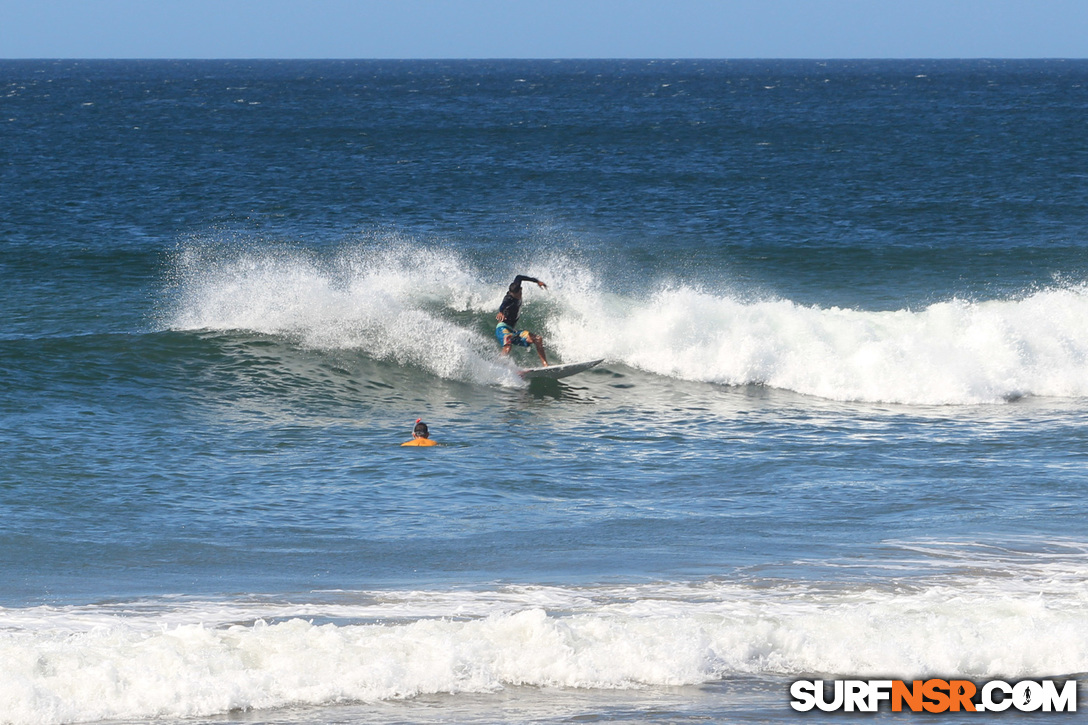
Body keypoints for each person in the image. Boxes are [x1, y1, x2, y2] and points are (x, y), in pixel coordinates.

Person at [495, 274, 549, 366]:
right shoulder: (509, 298)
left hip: (512, 331)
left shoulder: (517, 285)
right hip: (502, 328)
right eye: (515, 295)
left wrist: (537, 281)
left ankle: (545, 364)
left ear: (521, 289)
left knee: (538, 339)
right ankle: (497, 366)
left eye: (518, 294)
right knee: (507, 345)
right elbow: (503, 304)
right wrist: (500, 312)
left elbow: (519, 277)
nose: (517, 297)